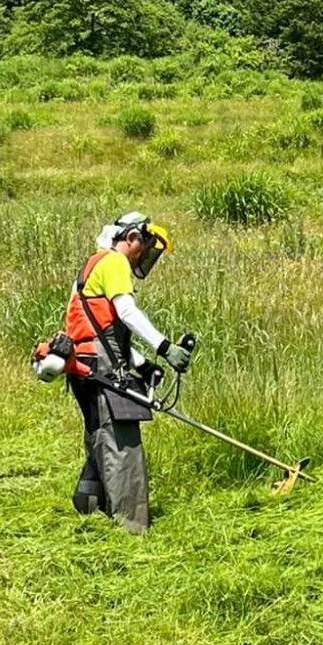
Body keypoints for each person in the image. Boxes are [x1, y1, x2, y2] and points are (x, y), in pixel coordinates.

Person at [63, 212, 191, 534]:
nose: (144, 254)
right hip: (101, 366)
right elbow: (126, 311)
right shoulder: (114, 262)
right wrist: (164, 348)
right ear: (131, 237)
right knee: (122, 444)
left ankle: (89, 507)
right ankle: (131, 528)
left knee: (99, 436)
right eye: (144, 245)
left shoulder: (93, 266)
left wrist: (143, 364)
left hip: (86, 365)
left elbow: (101, 332)